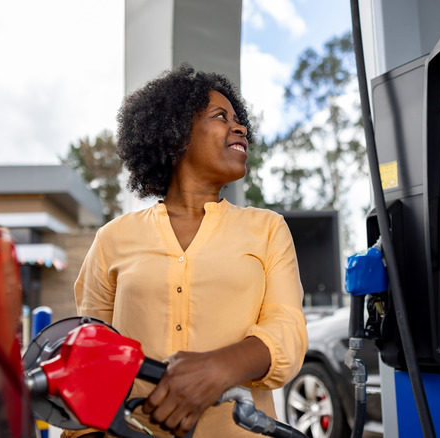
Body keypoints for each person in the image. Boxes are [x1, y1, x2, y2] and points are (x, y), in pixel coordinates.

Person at [65, 64, 308, 438]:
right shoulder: (112, 239)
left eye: (239, 119)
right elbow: (91, 358)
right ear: (176, 134)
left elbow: (287, 330)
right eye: (220, 116)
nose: (240, 127)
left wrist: (220, 367)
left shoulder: (268, 229)